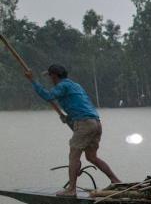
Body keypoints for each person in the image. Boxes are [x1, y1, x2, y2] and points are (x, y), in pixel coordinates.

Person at [23, 63, 121, 196]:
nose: (50, 79)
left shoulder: (62, 86)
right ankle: (115, 180)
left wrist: (32, 80)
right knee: (91, 157)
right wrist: (68, 118)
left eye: (50, 76)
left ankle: (71, 189)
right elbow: (79, 104)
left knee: (74, 156)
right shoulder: (75, 85)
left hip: (85, 123)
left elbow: (48, 96)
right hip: (95, 123)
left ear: (55, 76)